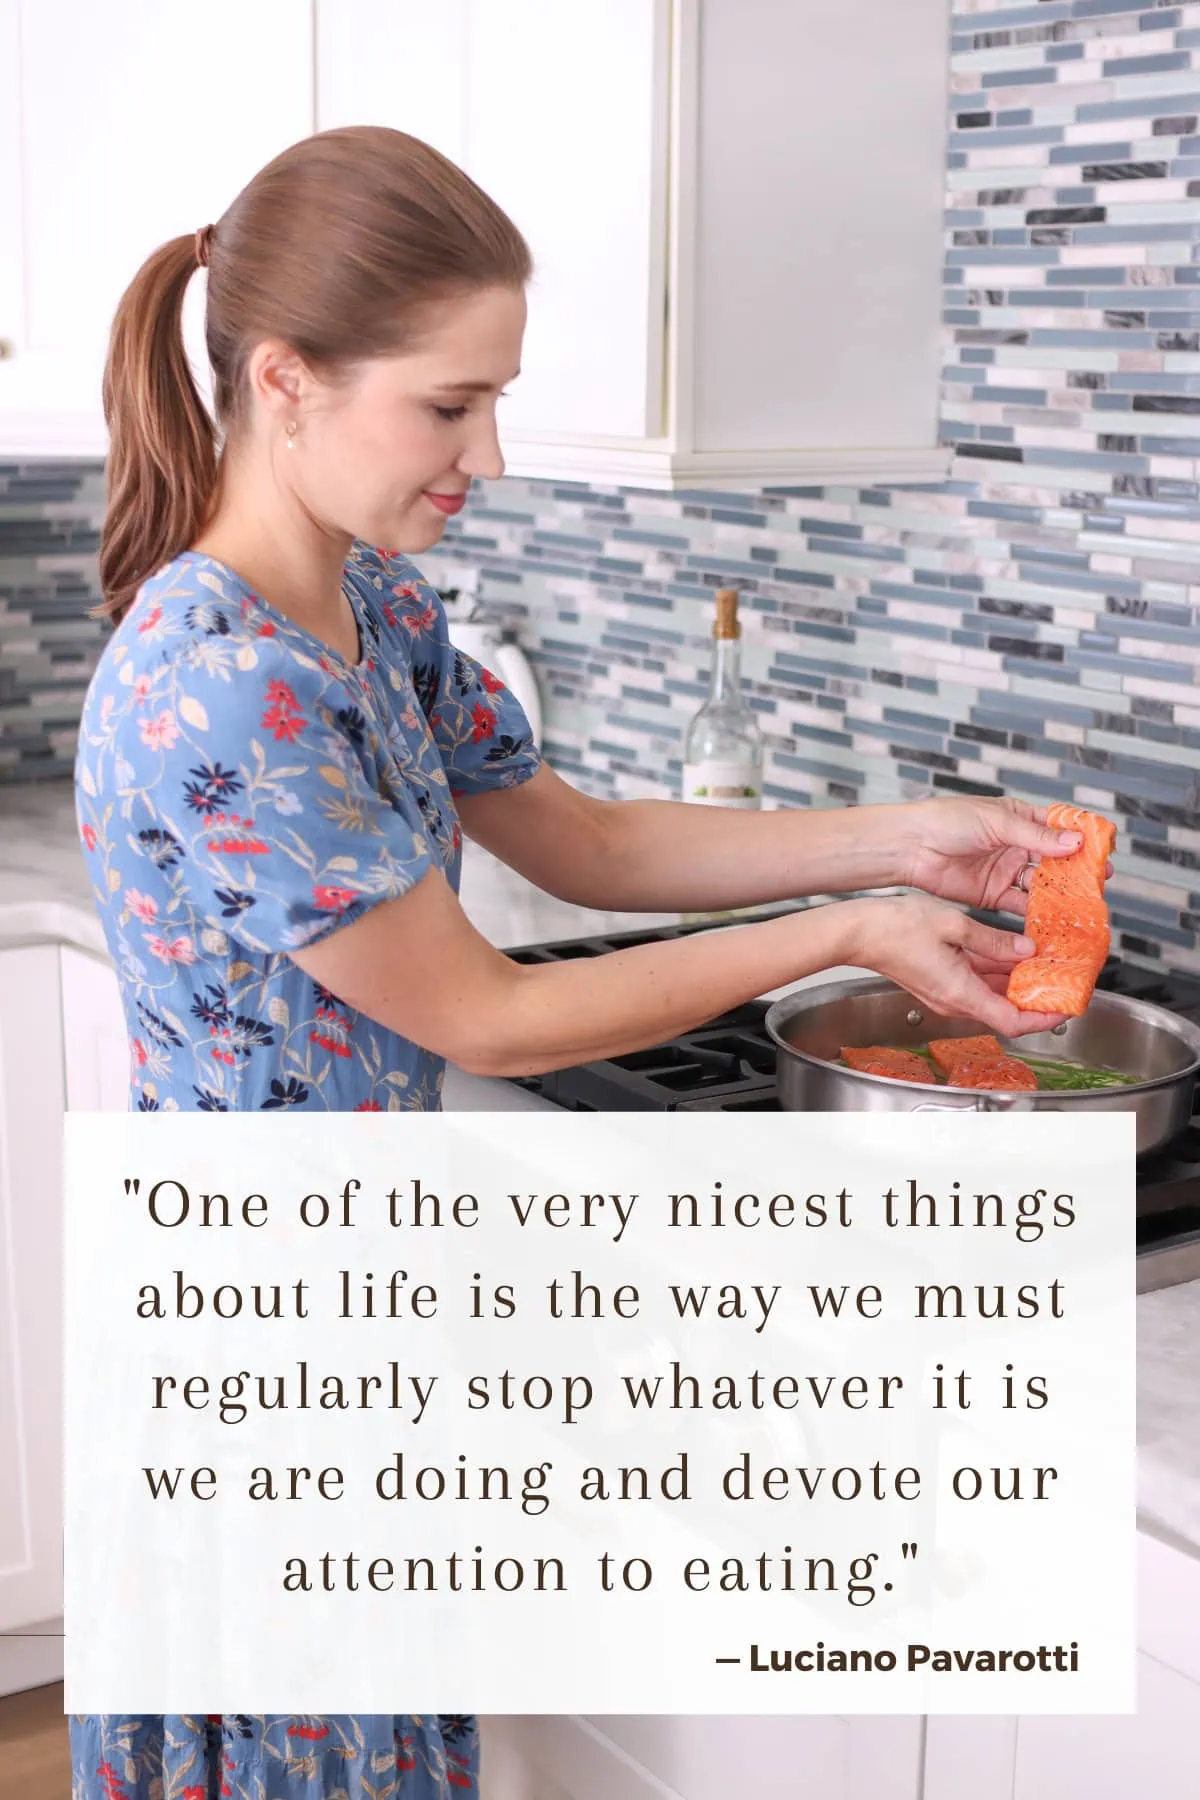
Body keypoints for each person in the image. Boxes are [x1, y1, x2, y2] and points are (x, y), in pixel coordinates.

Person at [72, 126, 1089, 1799]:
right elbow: (488, 1010)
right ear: (288, 380)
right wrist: (833, 934)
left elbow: (590, 843)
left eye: (498, 399)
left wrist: (898, 838)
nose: (491, 452)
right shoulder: (225, 683)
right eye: (451, 403)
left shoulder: (368, 610)